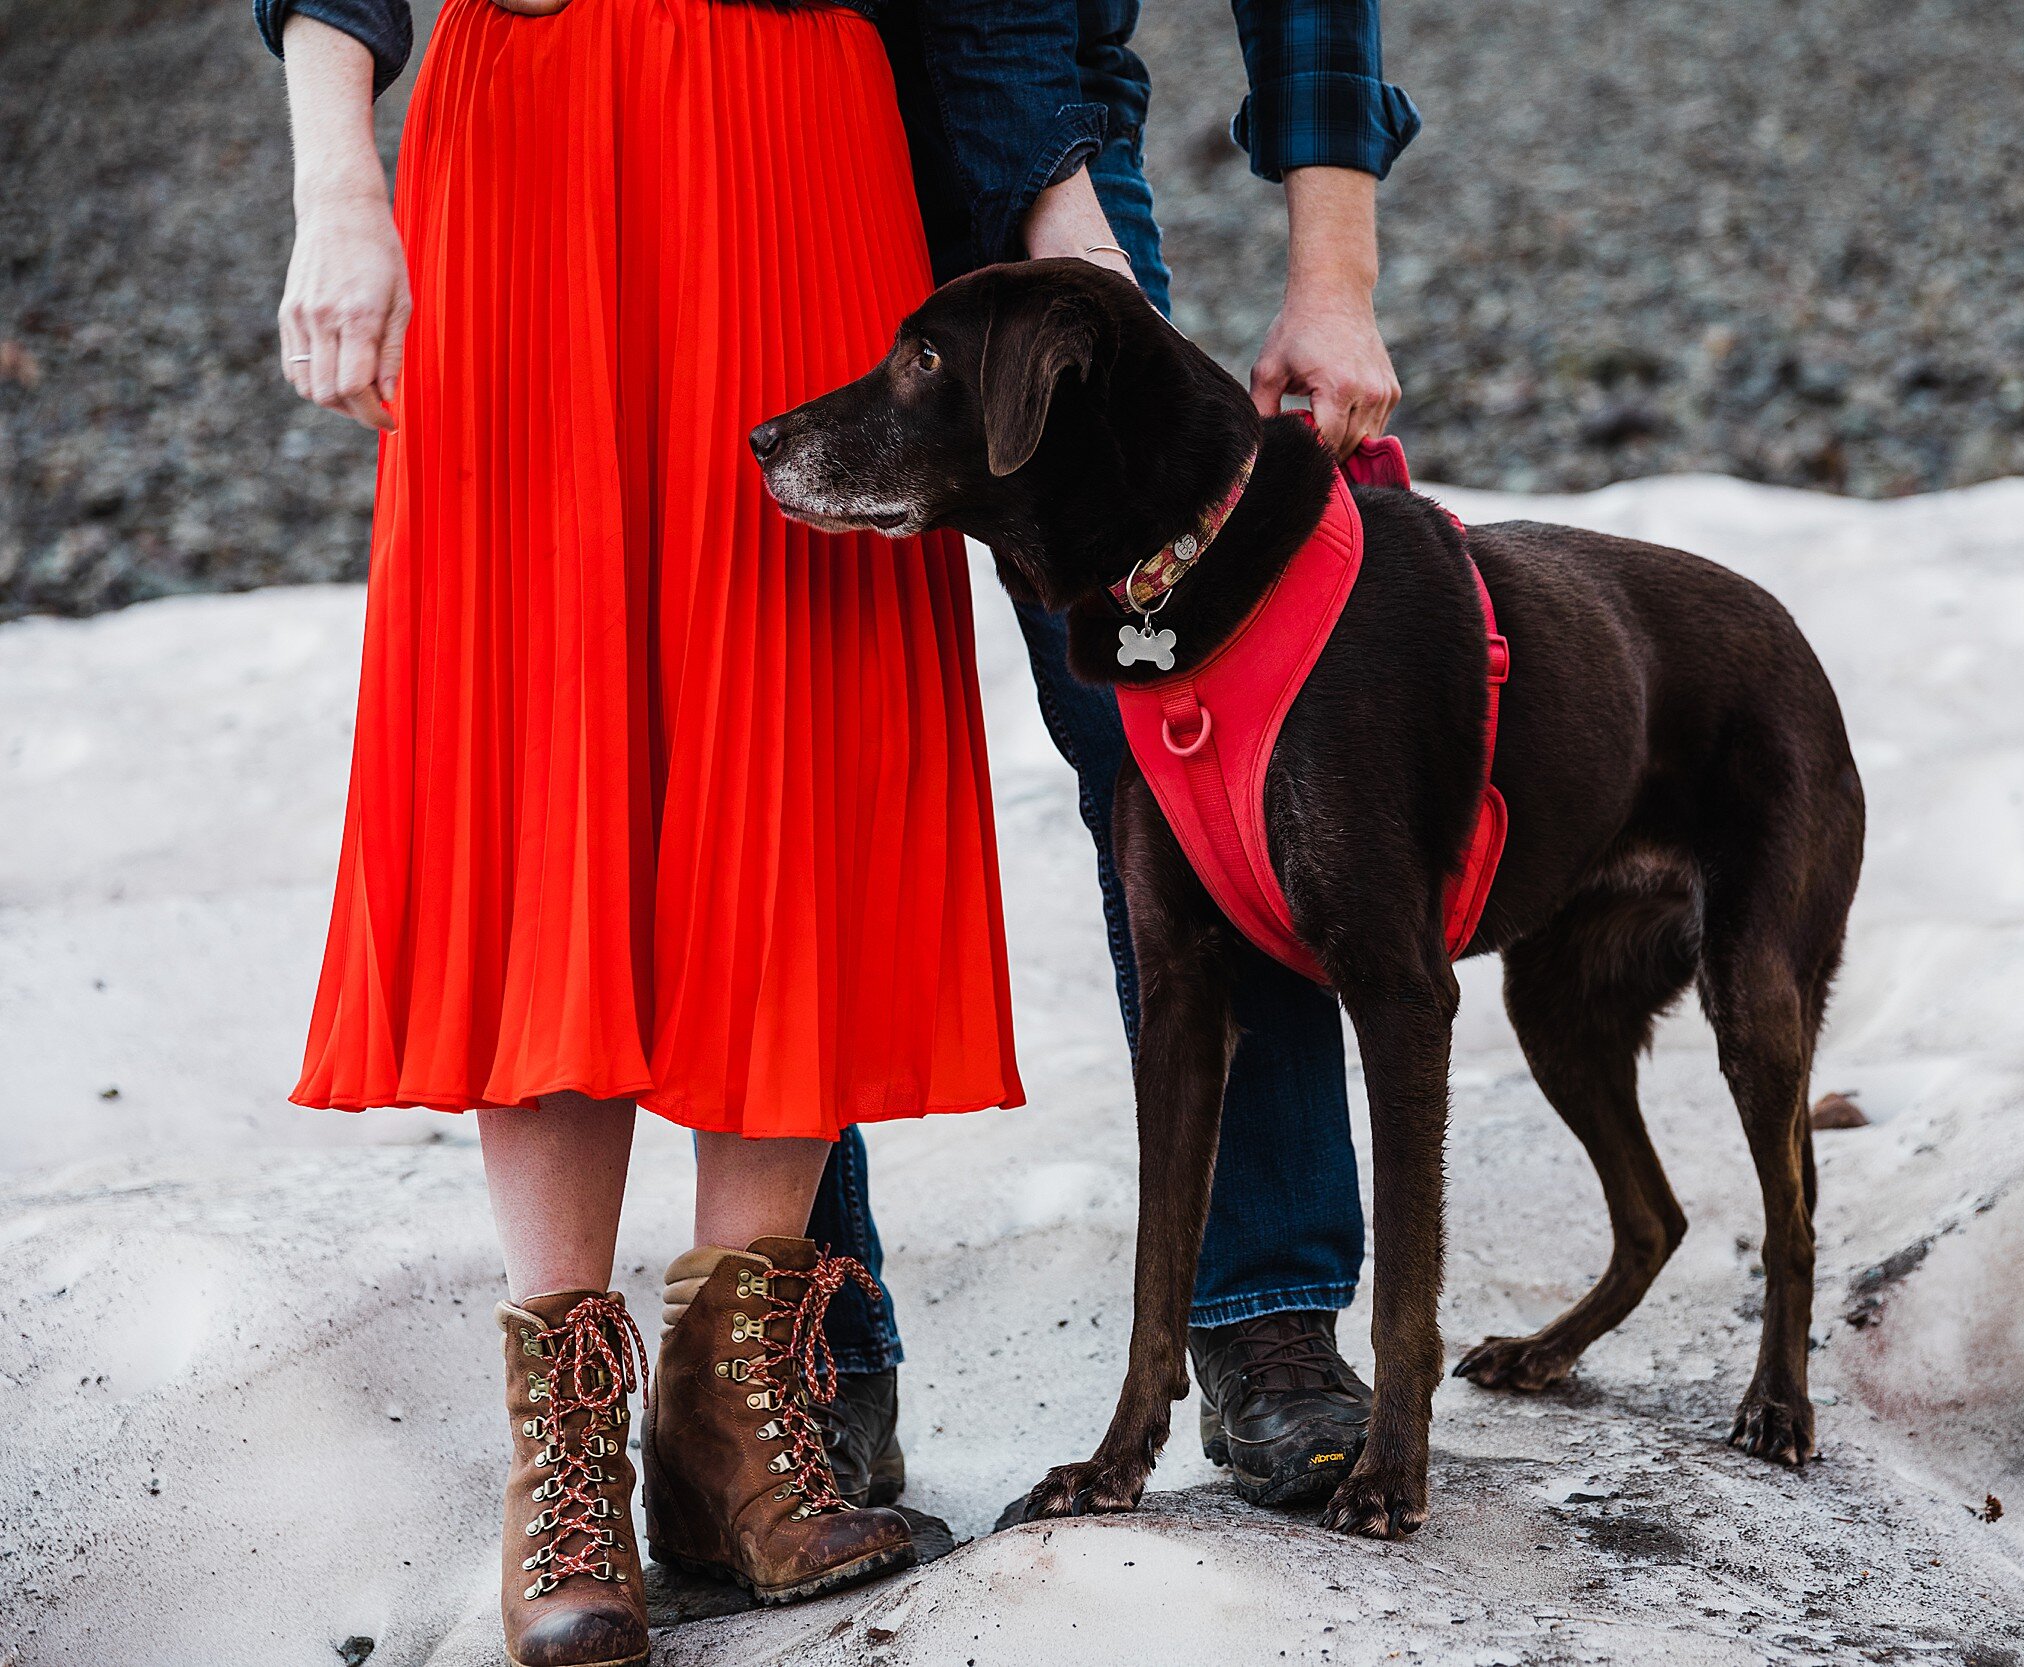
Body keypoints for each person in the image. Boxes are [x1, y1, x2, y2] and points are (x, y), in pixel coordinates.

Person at [257, 0, 1023, 1660]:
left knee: (799, 716)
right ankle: (569, 1455)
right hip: (531, 131)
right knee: (546, 739)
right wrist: (338, 181)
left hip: (816, 128)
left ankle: (729, 1419)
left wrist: (1057, 203)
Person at [805, 0, 1421, 1517]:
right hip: (771, 157)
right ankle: (814, 1351)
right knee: (785, 762)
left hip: (1054, 177)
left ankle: (1265, 1311)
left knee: (1203, 755)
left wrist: (1332, 273)